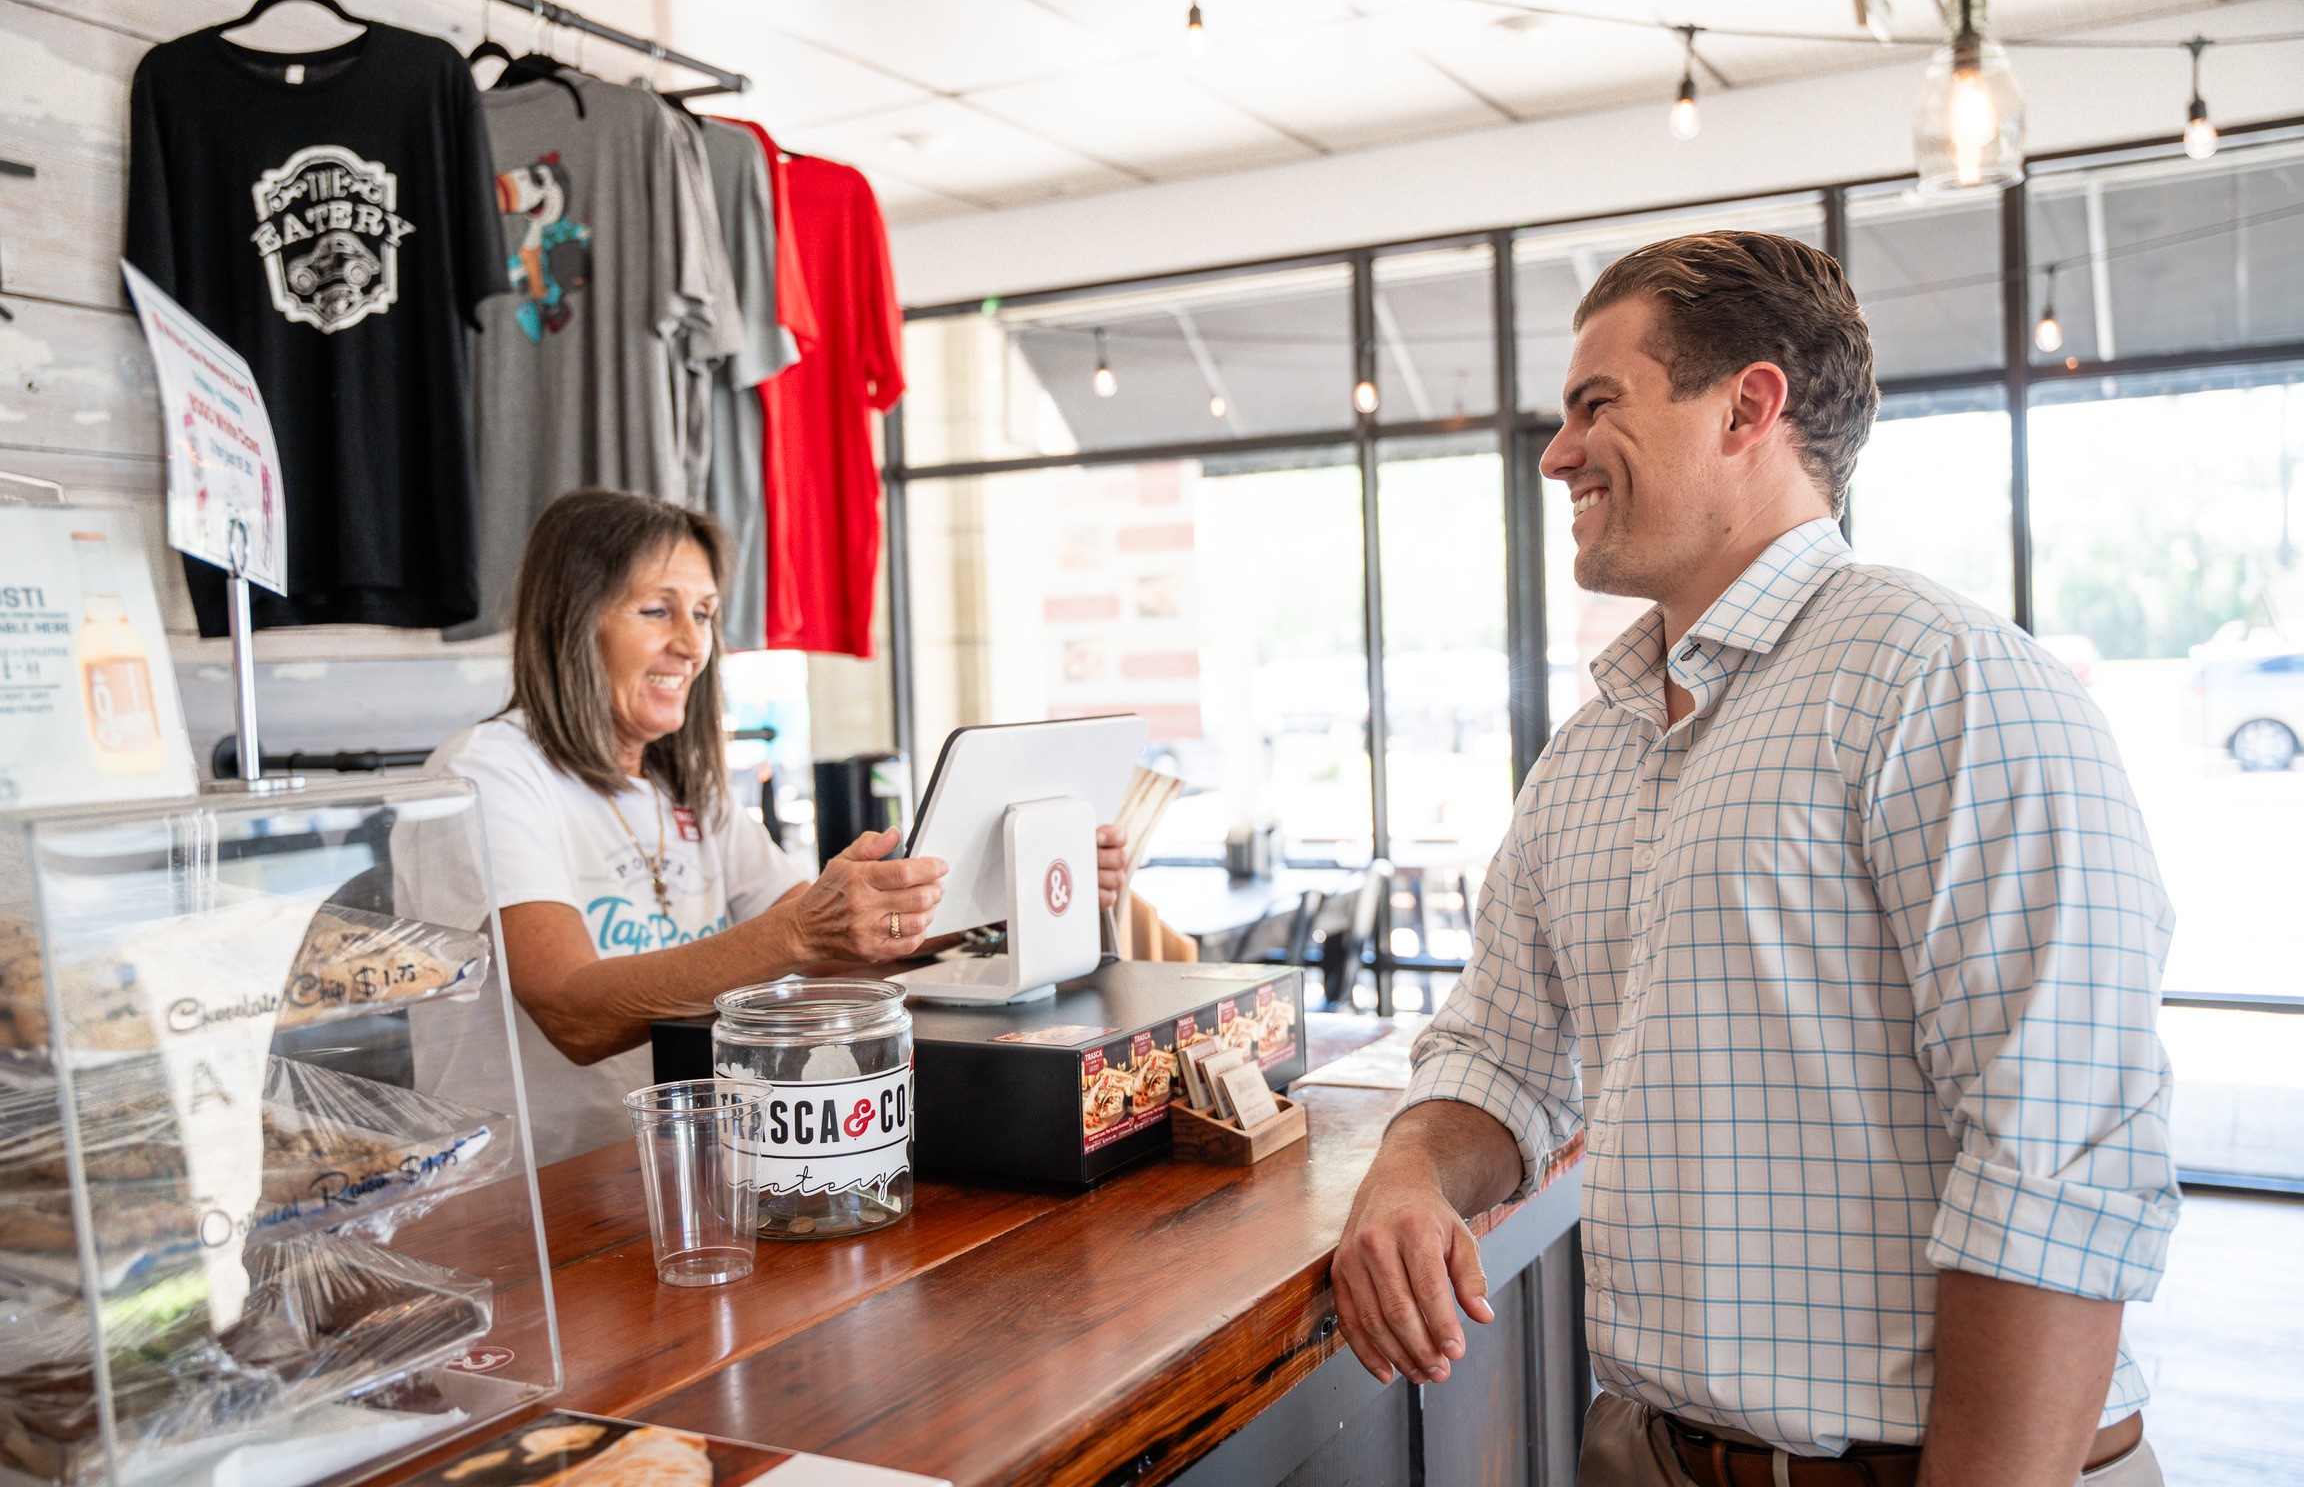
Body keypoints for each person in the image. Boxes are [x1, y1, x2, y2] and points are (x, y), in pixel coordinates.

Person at [1331, 234, 2177, 1487]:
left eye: (1596, 404)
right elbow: (1498, 1055)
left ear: (1747, 406)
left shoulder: (1944, 681)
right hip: (1646, 1453)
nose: (1558, 454)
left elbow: (2055, 1164)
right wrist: (1409, 1174)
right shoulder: (1589, 752)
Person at [421, 488, 1125, 1164]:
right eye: (657, 610)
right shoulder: (488, 770)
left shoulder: (683, 786)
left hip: (683, 1168)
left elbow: (827, 946)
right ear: (570, 620)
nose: (691, 645)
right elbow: (574, 1015)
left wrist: (1002, 894)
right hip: (540, 1196)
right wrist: (803, 931)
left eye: (704, 614)